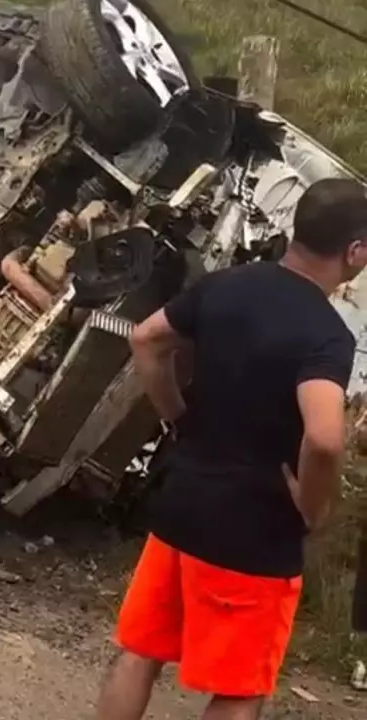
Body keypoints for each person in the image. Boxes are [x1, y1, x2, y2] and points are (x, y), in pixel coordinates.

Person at [96, 177, 367, 720]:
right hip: (254, 533)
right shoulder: (326, 334)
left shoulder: (225, 284)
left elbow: (147, 339)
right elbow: (324, 436)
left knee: (139, 655)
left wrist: (177, 416)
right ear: (355, 252)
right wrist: (313, 507)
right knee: (240, 689)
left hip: (181, 505)